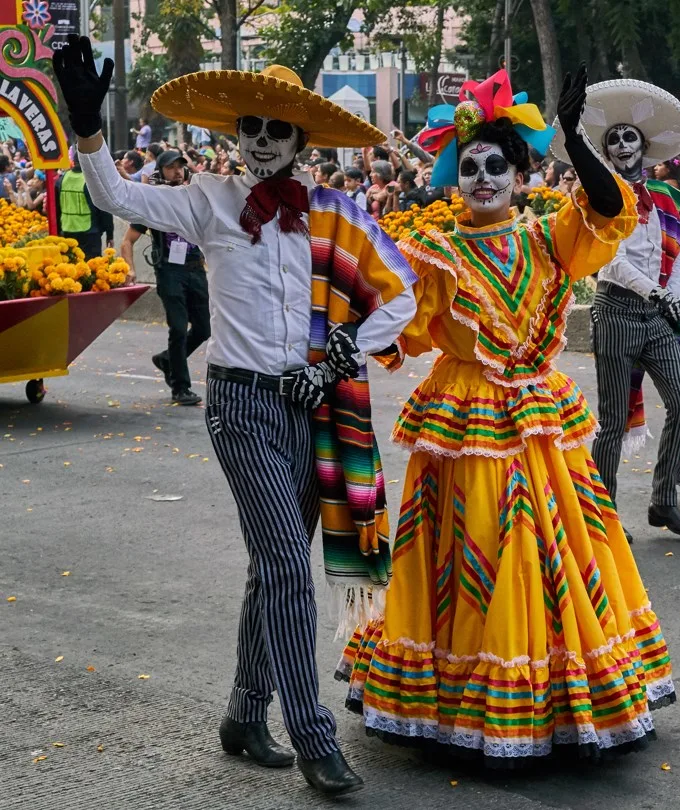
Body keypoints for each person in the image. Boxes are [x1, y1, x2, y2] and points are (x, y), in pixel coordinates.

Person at [53, 35, 417, 796]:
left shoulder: (335, 213)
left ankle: (244, 714)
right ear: (236, 134)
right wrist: (87, 128)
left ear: (300, 140)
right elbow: (118, 197)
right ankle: (312, 734)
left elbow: (404, 292)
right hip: (240, 404)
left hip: (306, 406)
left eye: (276, 130)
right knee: (287, 561)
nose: (260, 140)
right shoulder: (210, 199)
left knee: (270, 566)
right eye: (250, 126)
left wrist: (349, 344)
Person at [338, 66, 677, 768]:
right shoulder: (435, 255)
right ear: (452, 177)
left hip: (539, 419)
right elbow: (394, 320)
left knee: (554, 547)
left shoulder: (547, 239)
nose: (484, 178)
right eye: (471, 168)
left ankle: (552, 695)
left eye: (498, 166)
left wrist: (578, 144)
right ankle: (466, 697)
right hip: (463, 421)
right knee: (482, 545)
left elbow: (612, 210)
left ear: (521, 176)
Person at [556, 79, 680, 538]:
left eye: (630, 137)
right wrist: (653, 292)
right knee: (614, 419)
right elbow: (609, 261)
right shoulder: (597, 196)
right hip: (617, 312)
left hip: (657, 317)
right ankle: (605, 512)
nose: (622, 144)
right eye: (614, 139)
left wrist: (672, 294)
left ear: (644, 145)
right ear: (606, 150)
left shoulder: (664, 196)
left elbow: (675, 253)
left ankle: (662, 502)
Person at [119, 150, 210, 406]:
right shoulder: (153, 202)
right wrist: (130, 269)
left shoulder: (193, 199)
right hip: (169, 270)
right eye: (171, 167)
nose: (178, 171)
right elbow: (127, 241)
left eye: (180, 166)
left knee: (204, 329)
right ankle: (180, 387)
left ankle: (167, 359)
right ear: (160, 172)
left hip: (195, 268)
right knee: (179, 328)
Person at [54, 158, 114, 259]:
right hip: (90, 234)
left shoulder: (61, 180)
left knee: (70, 267)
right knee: (91, 269)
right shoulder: (93, 182)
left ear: (74, 162)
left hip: (67, 232)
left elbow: (56, 209)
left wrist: (57, 232)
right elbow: (105, 210)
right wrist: (110, 234)